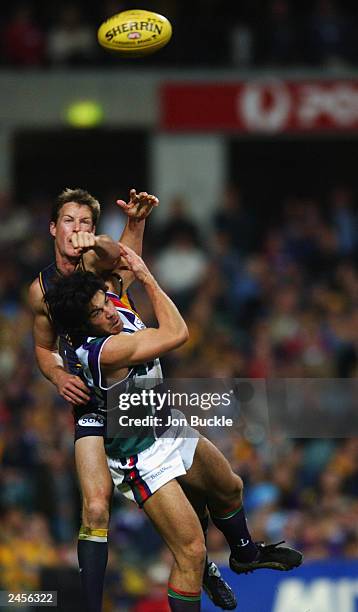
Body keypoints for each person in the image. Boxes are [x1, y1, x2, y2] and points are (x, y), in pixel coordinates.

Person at [44, 245, 303, 612]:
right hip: (141, 457)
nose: (109, 313)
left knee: (230, 487)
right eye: (98, 313)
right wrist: (147, 275)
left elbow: (122, 258)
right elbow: (178, 333)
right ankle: (203, 572)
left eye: (105, 301)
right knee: (191, 550)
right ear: (84, 325)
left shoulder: (106, 308)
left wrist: (134, 226)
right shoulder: (105, 351)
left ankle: (244, 554)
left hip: (165, 425)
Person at [28, 187, 237, 611]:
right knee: (97, 507)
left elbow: (115, 255)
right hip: (90, 402)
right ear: (53, 228)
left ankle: (200, 563)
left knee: (183, 481)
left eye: (86, 222)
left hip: (131, 398)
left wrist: (108, 235)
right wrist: (56, 375)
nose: (77, 230)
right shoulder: (41, 290)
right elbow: (42, 347)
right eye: (69, 221)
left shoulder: (94, 263)